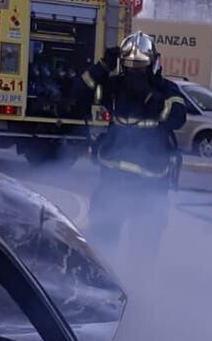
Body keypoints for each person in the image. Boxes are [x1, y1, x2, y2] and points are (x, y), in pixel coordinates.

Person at [69, 31, 187, 256]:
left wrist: (149, 97)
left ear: (153, 64)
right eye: (131, 66)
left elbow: (178, 117)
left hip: (151, 187)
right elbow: (79, 91)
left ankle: (139, 286)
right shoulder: (114, 88)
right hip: (112, 184)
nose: (135, 73)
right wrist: (102, 66)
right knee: (102, 246)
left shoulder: (165, 89)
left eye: (140, 67)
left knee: (143, 247)